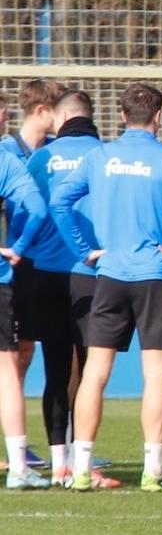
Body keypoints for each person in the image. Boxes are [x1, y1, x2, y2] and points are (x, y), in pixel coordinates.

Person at [50, 83, 162, 492]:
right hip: (157, 276)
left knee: (95, 373)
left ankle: (80, 470)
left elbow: (60, 202)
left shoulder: (101, 156)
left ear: (120, 116)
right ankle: (153, 471)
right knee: (156, 375)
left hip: (111, 274)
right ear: (159, 117)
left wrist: (85, 251)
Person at [23, 89, 119, 489]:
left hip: (43, 272)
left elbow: (24, 207)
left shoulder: (40, 158)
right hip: (92, 271)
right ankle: (82, 461)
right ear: (90, 117)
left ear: (60, 119)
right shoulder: (108, 158)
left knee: (55, 368)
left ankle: (59, 461)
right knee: (89, 369)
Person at [0, 145, 48, 488]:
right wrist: (19, 247)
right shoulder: (5, 160)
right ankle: (18, 467)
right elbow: (38, 209)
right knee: (6, 371)